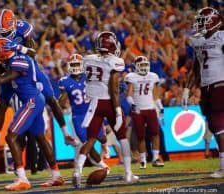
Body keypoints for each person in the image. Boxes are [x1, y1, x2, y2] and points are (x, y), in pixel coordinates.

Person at [0, 9, 77, 154]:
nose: (3, 34)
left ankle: (66, 134)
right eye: (0, 31)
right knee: (3, 103)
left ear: (13, 24)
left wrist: (17, 47)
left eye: (5, 31)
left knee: (51, 99)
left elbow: (33, 52)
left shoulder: (24, 28)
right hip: (10, 68)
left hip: (28, 68)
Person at [0, 38, 64, 191]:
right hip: (34, 100)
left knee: (11, 136)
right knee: (40, 138)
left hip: (32, 101)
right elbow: (2, 78)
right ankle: (56, 175)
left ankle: (22, 179)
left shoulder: (19, 60)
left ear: (5, 51)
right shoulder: (11, 62)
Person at [72, 31, 139, 188]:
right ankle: (128, 173)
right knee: (122, 137)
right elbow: (114, 89)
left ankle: (77, 171)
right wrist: (117, 110)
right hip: (108, 102)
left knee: (90, 140)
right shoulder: (115, 61)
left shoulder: (88, 59)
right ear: (112, 45)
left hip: (93, 103)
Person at [183, 7, 224, 178]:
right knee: (215, 126)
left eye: (202, 21)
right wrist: (186, 88)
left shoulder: (222, 37)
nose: (199, 25)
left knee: (218, 125)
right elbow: (196, 66)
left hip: (219, 84)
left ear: (213, 22)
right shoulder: (199, 41)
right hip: (206, 88)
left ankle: (223, 167)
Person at [58, 54, 108, 169]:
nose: (75, 67)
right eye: (73, 64)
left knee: (102, 139)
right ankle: (103, 166)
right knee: (87, 144)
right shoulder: (65, 81)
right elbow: (61, 103)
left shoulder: (90, 77)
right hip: (78, 116)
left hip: (92, 113)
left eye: (77, 64)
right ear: (69, 66)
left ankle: (105, 147)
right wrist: (65, 94)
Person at [124, 56, 165, 169]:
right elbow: (128, 96)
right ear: (136, 66)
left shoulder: (153, 76)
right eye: (141, 65)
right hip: (138, 111)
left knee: (155, 134)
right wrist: (133, 105)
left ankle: (156, 158)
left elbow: (156, 96)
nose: (143, 67)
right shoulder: (131, 77)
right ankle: (143, 159)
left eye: (145, 65)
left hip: (150, 109)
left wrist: (160, 108)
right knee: (141, 137)